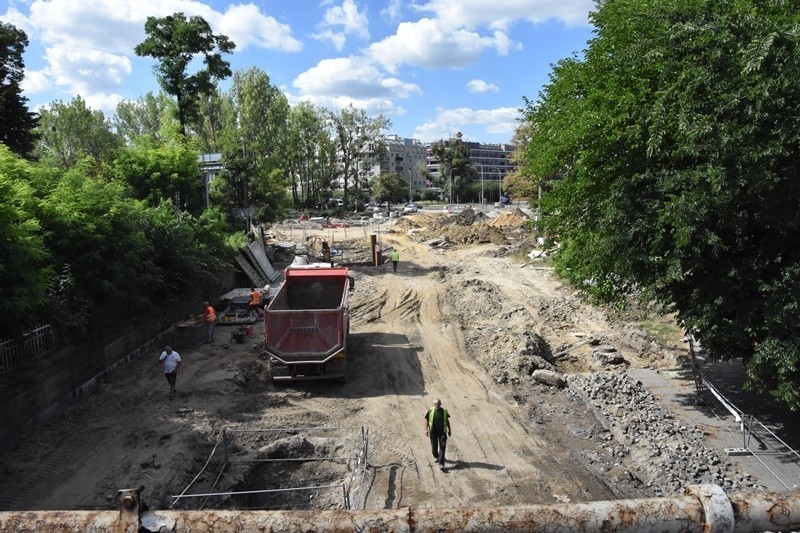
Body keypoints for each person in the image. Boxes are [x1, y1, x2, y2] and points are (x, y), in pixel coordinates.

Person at [424, 399, 451, 469]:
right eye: (436, 403)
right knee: (434, 448)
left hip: (442, 432)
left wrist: (449, 430)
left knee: (442, 446)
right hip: (433, 432)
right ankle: (437, 456)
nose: (437, 405)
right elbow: (427, 420)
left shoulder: (444, 411)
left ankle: (441, 463)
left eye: (438, 403)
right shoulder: (431, 411)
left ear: (440, 404)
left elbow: (447, 421)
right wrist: (426, 430)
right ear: (433, 404)